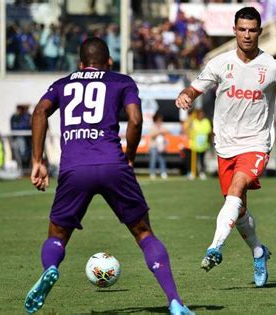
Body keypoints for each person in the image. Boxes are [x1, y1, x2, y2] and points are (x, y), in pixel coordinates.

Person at [24, 37, 193, 315]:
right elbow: (136, 119)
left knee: (57, 234)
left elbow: (40, 111)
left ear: (80, 64)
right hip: (113, 164)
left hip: (74, 168)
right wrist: (130, 156)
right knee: (144, 233)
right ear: (109, 62)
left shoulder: (64, 83)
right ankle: (174, 300)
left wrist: (37, 161)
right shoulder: (121, 81)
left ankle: (51, 268)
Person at [175, 7, 276, 287]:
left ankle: (214, 248)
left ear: (259, 32)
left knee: (237, 188)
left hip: (256, 143)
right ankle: (258, 251)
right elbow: (194, 89)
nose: (247, 35)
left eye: (252, 30)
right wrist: (185, 96)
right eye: (242, 29)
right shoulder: (220, 64)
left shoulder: (274, 67)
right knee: (239, 209)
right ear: (234, 30)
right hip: (225, 146)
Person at [188, 108, 212, 180]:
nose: (201, 115)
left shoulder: (206, 121)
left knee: (202, 159)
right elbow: (190, 131)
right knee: (194, 160)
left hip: (203, 144)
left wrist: (209, 141)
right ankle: (193, 173)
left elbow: (209, 131)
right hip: (195, 144)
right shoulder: (194, 122)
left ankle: (201, 172)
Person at [149, 112, 168, 179]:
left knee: (162, 159)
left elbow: (167, 132)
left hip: (161, 147)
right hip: (154, 146)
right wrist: (159, 132)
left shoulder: (162, 127)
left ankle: (163, 172)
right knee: (153, 160)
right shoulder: (153, 127)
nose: (160, 121)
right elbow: (151, 135)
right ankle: (152, 173)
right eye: (159, 119)